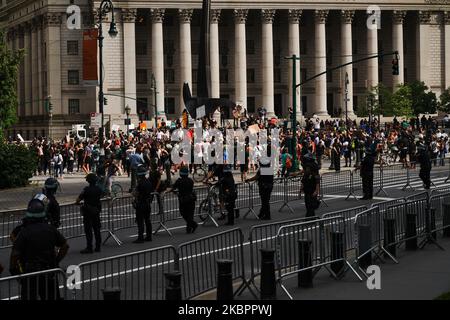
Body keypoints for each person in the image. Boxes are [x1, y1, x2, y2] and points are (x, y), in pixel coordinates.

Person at [9, 194, 69, 300]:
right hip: (49, 271)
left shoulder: (24, 231)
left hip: (30, 272)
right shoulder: (50, 229)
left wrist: (13, 269)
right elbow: (65, 246)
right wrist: (56, 260)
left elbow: (15, 254)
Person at [76, 173, 103, 253]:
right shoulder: (99, 189)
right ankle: (98, 247)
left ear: (88, 181)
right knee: (97, 230)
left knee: (88, 231)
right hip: (96, 211)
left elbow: (78, 199)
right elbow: (102, 195)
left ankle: (89, 247)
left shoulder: (86, 190)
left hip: (88, 212)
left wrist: (78, 203)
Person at [166, 166, 198, 233]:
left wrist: (168, 191)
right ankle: (189, 228)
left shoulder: (179, 181)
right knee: (190, 214)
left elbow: (173, 188)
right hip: (191, 199)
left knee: (183, 213)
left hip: (183, 200)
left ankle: (193, 224)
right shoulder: (190, 180)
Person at [132, 164, 154, 243]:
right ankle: (149, 236)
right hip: (147, 203)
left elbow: (135, 193)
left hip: (141, 203)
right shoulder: (148, 182)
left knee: (140, 221)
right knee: (148, 220)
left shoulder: (140, 183)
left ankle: (140, 237)